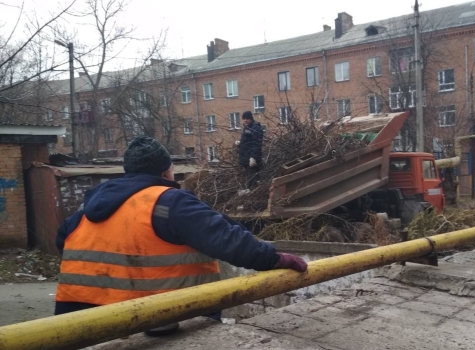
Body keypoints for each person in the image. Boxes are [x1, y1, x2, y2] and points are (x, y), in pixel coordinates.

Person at [54, 136, 307, 336]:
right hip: (155, 323)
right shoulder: (169, 202)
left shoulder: (86, 208)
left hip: (78, 323)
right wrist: (274, 258)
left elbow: (62, 241)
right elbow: (227, 239)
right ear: (165, 173)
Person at [235, 111, 263, 189]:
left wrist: (253, 157)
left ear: (251, 118)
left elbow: (257, 144)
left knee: (253, 179)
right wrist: (241, 143)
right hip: (246, 158)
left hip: (251, 159)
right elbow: (248, 141)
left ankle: (254, 194)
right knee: (248, 178)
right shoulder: (247, 127)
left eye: (247, 118)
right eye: (244, 119)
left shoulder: (256, 128)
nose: (245, 120)